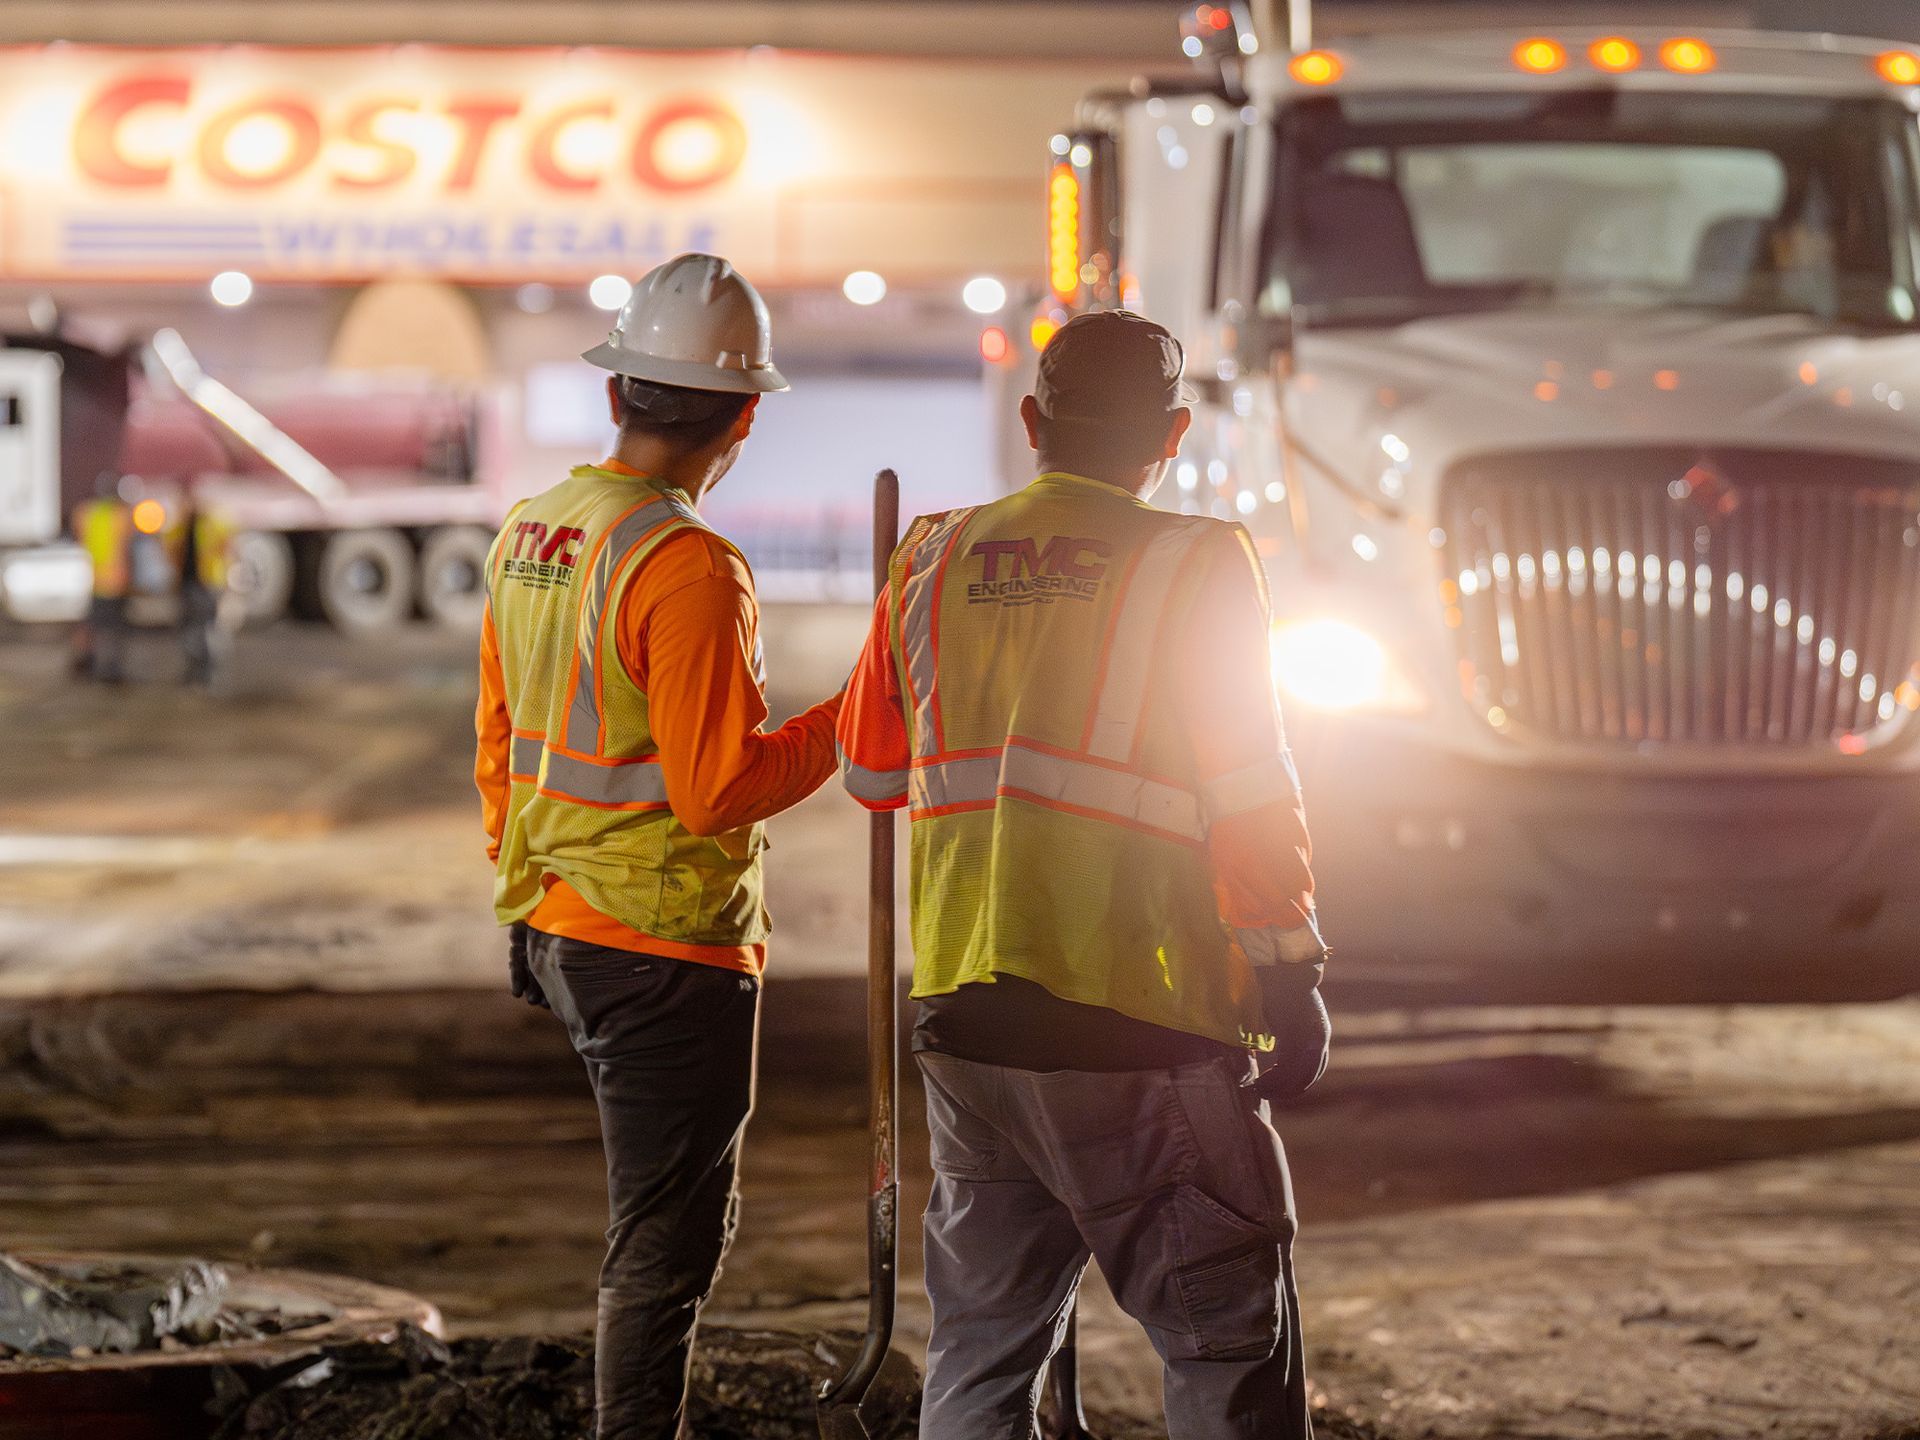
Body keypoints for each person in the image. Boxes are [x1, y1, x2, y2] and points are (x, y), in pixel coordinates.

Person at [837, 310, 1330, 1439]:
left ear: (1032, 421)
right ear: (1172, 433)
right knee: (1223, 1349)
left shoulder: (930, 554)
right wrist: (1290, 970)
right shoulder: (1197, 559)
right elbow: (1251, 785)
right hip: (1143, 1020)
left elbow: (870, 773)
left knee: (978, 1354)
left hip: (967, 1021)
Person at [473, 253, 843, 1440]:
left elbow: (498, 744)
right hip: (663, 951)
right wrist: (855, 714)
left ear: (615, 394)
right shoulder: (686, 566)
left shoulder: (535, 530)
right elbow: (720, 787)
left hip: (560, 928)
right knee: (666, 1248)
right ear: (741, 417)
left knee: (659, 1226)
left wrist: (530, 894)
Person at [72, 483, 133, 684]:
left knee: (92, 623)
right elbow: (127, 546)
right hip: (115, 579)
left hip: (93, 577)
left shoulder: (86, 512)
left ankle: (86, 661)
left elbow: (79, 535)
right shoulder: (120, 515)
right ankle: (109, 668)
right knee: (112, 628)